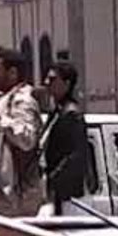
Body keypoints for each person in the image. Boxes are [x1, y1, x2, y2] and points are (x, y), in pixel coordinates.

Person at [0, 46, 45, 217]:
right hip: (6, 194)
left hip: (20, 197)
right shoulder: (8, 101)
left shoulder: (22, 101)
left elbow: (26, 139)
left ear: (12, 73)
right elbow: (1, 138)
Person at [42, 61, 88, 215]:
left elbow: (76, 154)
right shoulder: (56, 113)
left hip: (66, 196)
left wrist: (55, 179)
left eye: (53, 79)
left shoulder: (72, 115)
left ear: (67, 84)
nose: (46, 83)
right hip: (52, 193)